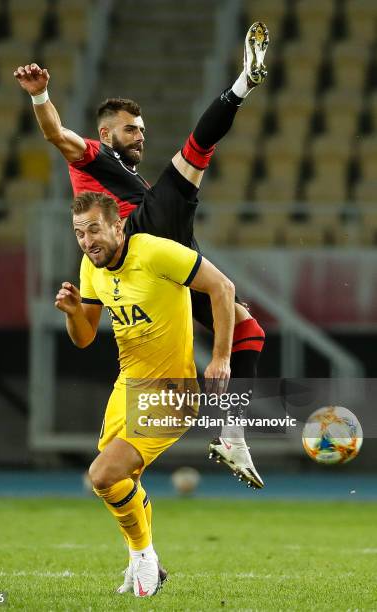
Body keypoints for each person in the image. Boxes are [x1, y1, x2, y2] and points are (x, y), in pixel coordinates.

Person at [16, 22, 269, 488]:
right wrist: (39, 95)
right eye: (131, 129)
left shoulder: (137, 181)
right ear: (105, 132)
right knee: (194, 154)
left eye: (142, 129)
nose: (140, 136)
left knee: (248, 331)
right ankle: (243, 84)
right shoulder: (92, 154)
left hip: (158, 254)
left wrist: (219, 358)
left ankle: (231, 429)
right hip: (134, 236)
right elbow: (56, 135)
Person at [55, 191, 235, 597]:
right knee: (116, 482)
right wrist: (72, 314)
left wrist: (220, 358)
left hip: (172, 392)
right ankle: (143, 562)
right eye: (79, 233)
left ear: (118, 226)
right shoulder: (91, 267)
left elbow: (222, 287)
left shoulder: (155, 253)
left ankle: (145, 559)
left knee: (103, 474)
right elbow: (83, 338)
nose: (86, 241)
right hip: (127, 386)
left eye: (94, 230)